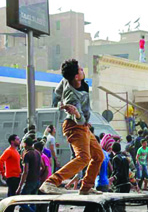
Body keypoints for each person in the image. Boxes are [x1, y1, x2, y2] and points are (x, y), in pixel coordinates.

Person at [39, 59, 104, 195]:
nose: (82, 70)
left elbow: (57, 91)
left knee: (98, 156)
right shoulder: (72, 96)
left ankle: (86, 187)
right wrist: (76, 114)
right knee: (83, 157)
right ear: (76, 76)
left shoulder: (66, 80)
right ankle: (51, 182)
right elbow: (78, 119)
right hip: (74, 126)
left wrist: (59, 102)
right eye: (80, 69)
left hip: (83, 126)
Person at [16, 137, 41, 212]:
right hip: (37, 181)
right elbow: (42, 167)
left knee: (21, 202)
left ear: (25, 144)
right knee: (32, 202)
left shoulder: (27, 154)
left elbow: (25, 171)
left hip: (30, 181)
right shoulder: (38, 153)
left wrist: (19, 187)